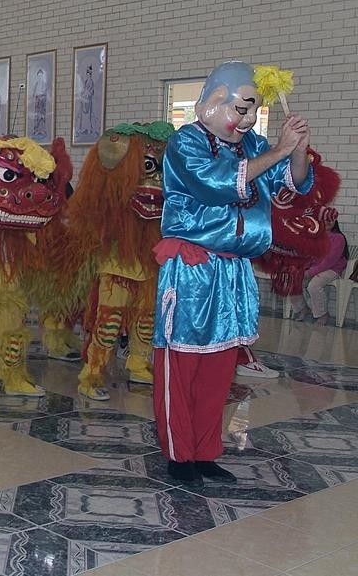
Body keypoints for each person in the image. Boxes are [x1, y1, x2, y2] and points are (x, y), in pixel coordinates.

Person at [152, 61, 312, 486]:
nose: (245, 120)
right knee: (181, 363)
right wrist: (275, 152)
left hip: (234, 269)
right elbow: (215, 184)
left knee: (219, 368)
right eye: (239, 109)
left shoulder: (253, 144)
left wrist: (295, 150)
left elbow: (291, 184)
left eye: (252, 112)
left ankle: (204, 452)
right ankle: (177, 455)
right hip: (192, 269)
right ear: (212, 102)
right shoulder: (185, 143)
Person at [290, 218, 348, 325]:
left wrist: (309, 273)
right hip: (315, 268)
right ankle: (303, 309)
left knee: (314, 285)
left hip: (332, 269)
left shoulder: (338, 238)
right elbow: (309, 257)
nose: (328, 222)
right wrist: (302, 270)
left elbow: (329, 261)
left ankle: (322, 314)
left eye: (331, 219)